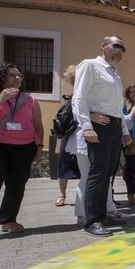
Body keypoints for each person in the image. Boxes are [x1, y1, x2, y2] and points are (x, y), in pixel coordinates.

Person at [71, 35, 132, 237]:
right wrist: (87, 125)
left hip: (114, 126)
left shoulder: (116, 75)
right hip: (99, 127)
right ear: (103, 46)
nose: (120, 51)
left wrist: (125, 132)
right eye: (116, 46)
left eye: (123, 48)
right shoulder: (90, 66)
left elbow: (117, 107)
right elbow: (78, 97)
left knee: (108, 174)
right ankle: (91, 221)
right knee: (96, 174)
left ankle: (102, 215)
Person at [0, 62, 43, 233]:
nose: (17, 78)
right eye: (12, 75)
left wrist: (39, 145)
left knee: (17, 184)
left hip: (24, 147)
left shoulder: (30, 100)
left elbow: (38, 125)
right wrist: (0, 99)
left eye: (19, 75)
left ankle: (8, 220)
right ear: (1, 77)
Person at [55, 65, 80, 207]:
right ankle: (61, 194)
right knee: (64, 163)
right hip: (70, 133)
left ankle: (82, 195)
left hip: (84, 134)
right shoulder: (71, 97)